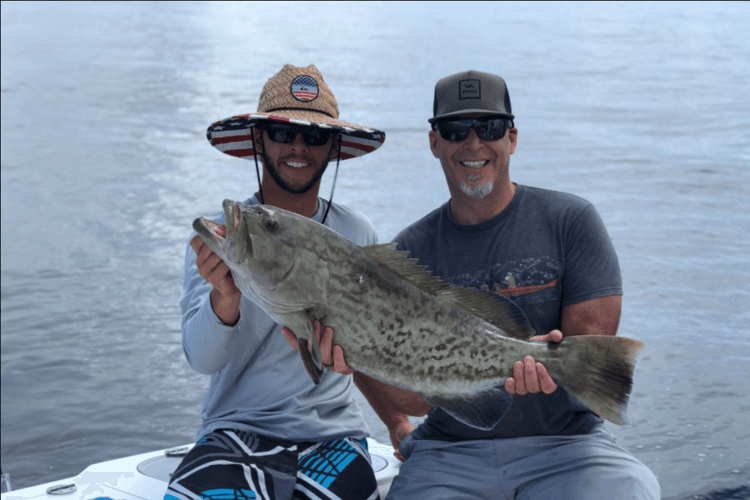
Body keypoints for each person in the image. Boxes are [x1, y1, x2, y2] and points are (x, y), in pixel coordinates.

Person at [316, 70, 661, 499]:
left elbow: (593, 351)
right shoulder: (408, 252)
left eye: (490, 127)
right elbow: (416, 401)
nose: (473, 142)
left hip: (569, 448)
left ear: (511, 139)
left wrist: (548, 367)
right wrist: (356, 357)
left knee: (632, 490)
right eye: (455, 129)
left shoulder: (572, 221)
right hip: (448, 454)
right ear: (434, 142)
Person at [166, 64, 386, 500]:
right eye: (283, 134)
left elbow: (377, 340)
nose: (298, 147)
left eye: (316, 135)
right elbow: (202, 359)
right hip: (234, 432)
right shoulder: (219, 239)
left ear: (333, 146)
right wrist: (224, 296)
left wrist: (394, 417)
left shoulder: (358, 235)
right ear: (259, 140)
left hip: (335, 435)